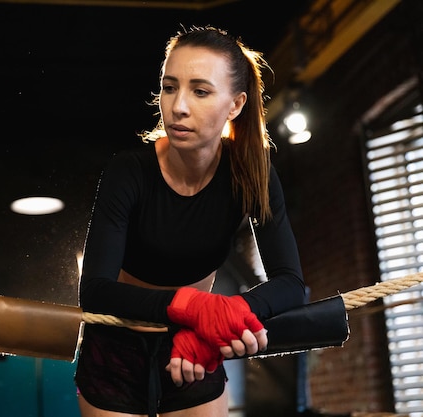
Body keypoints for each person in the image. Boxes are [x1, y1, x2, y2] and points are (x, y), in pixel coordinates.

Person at [74, 25, 306, 417]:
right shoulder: (128, 171)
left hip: (198, 339)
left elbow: (291, 283)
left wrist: (227, 316)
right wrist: (193, 306)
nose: (178, 106)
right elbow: (95, 290)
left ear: (234, 105)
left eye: (200, 91)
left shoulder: (252, 171)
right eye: (169, 87)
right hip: (117, 344)